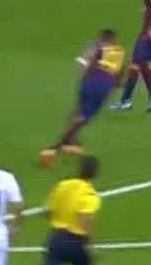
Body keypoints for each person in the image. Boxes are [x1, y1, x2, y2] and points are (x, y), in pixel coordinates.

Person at [41, 29, 125, 167]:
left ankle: (70, 139)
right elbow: (120, 72)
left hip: (88, 84)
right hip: (102, 88)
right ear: (113, 39)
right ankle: (58, 144)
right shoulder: (119, 51)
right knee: (84, 117)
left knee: (79, 112)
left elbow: (89, 64)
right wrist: (117, 83)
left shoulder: (98, 48)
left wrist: (86, 77)